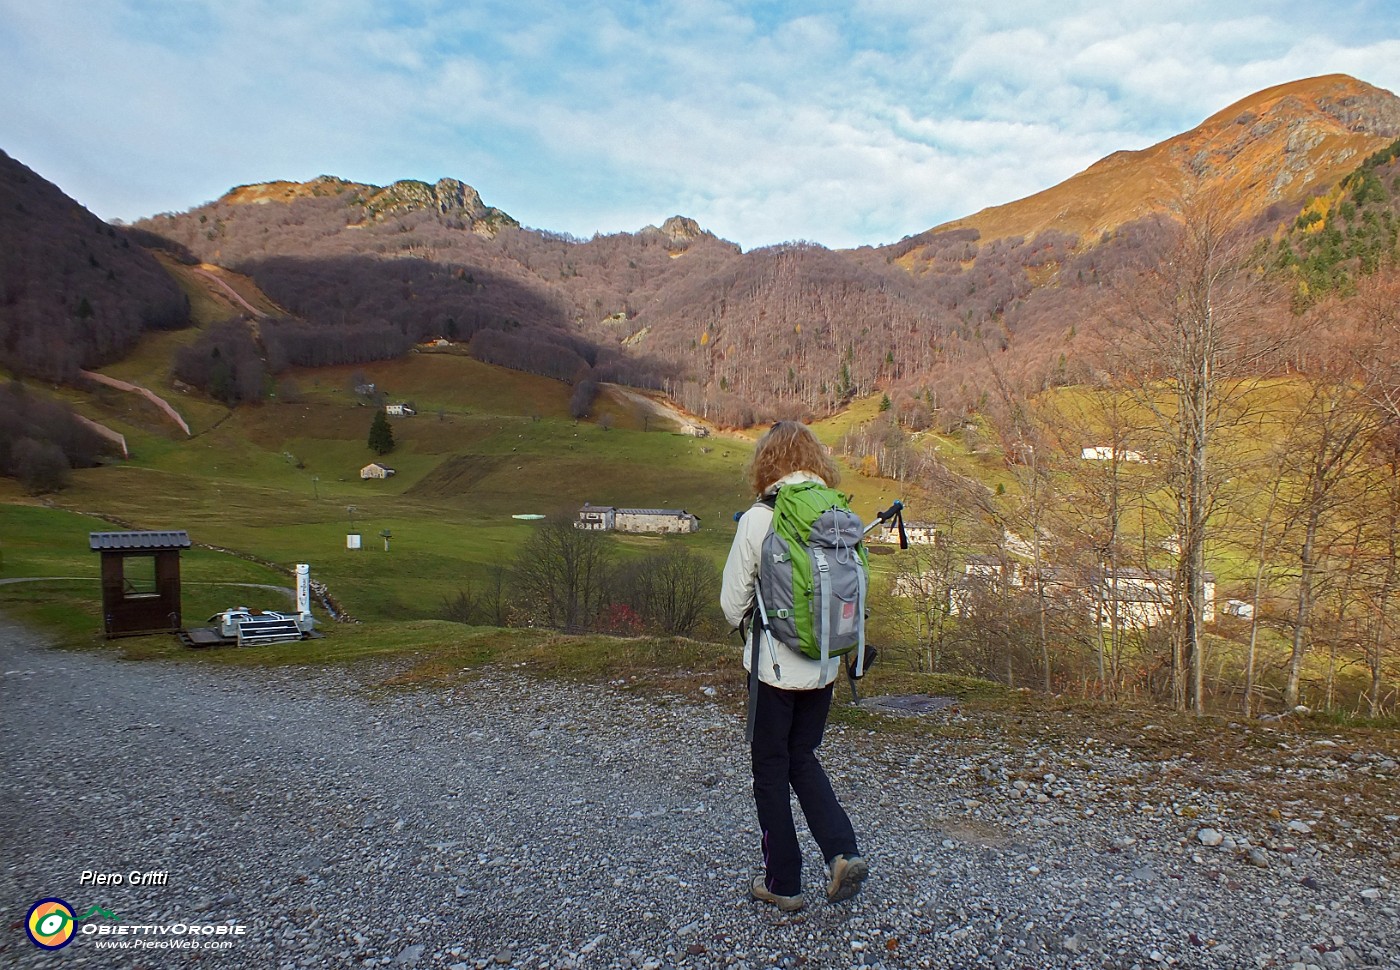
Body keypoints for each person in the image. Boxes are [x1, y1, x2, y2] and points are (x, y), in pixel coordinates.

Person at [721, 420, 867, 913]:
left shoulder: (760, 519)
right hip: (826, 664)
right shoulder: (839, 514)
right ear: (816, 459)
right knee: (802, 757)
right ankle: (842, 852)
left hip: (774, 670)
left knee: (770, 768)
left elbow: (730, 604)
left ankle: (783, 883)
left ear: (766, 461)